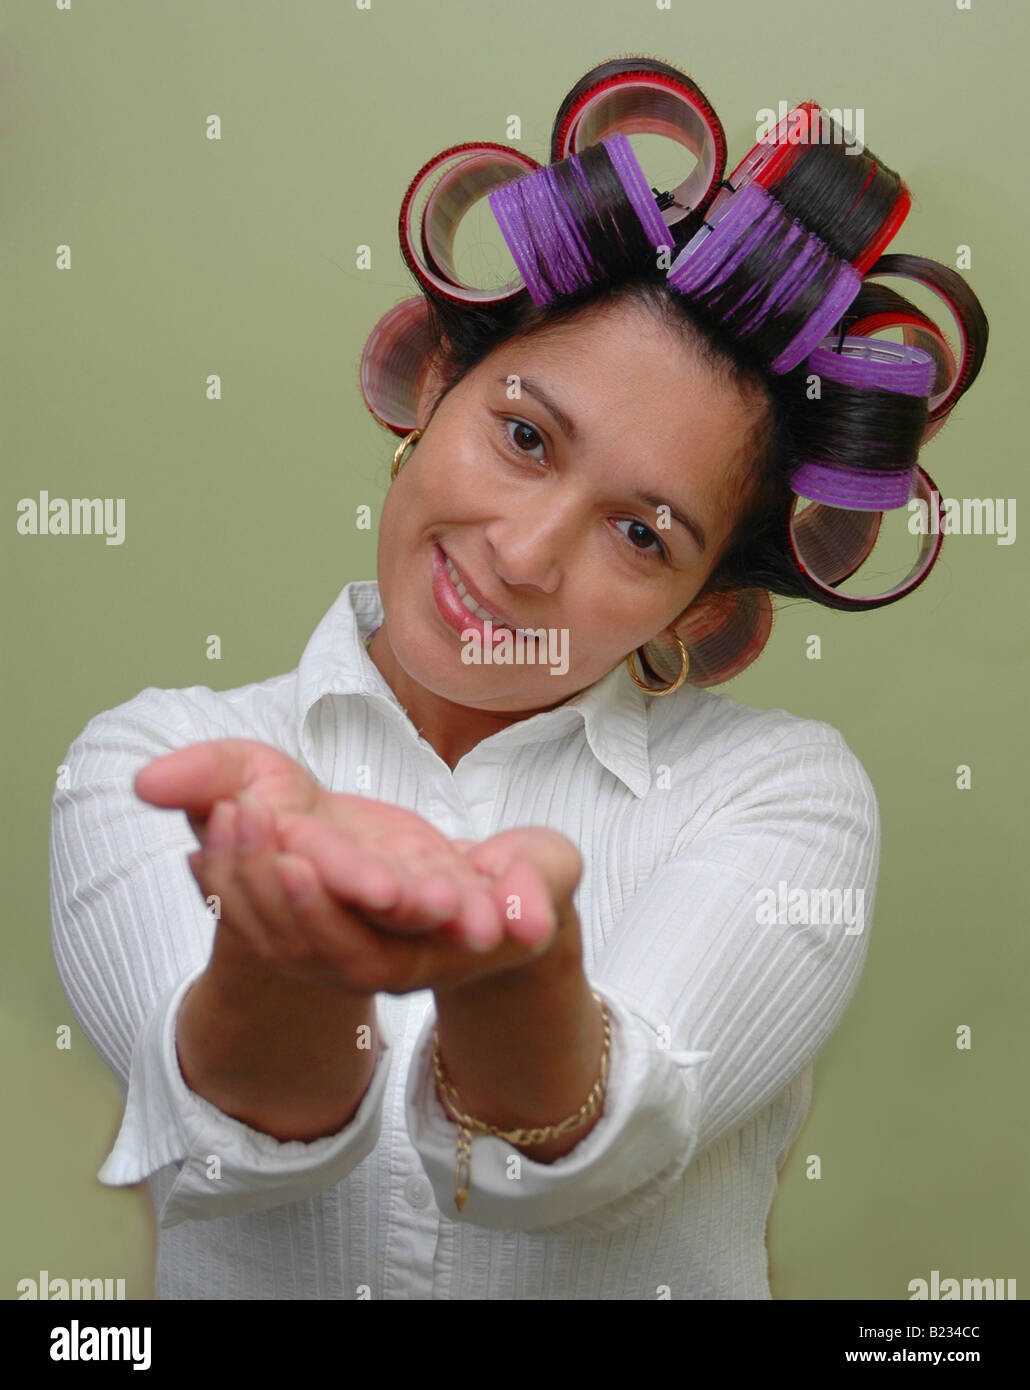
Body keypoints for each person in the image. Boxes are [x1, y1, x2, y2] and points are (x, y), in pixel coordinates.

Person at [49, 56, 987, 1300]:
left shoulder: (781, 793)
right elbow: (226, 1152)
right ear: (435, 390)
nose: (523, 554)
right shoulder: (147, 761)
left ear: (702, 604)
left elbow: (613, 1154)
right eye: (525, 436)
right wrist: (293, 954)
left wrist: (513, 973)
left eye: (642, 532)